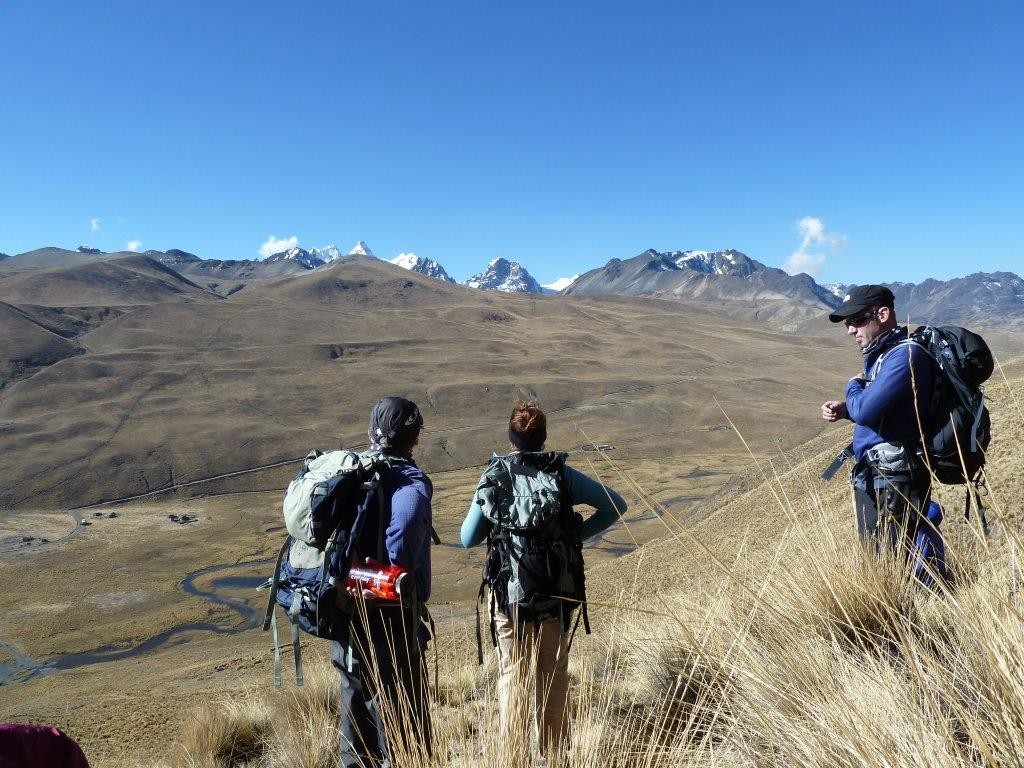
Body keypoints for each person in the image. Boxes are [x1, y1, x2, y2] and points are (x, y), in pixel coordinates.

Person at [460, 400, 627, 760]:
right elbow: (616, 504)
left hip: (509, 597)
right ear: (543, 436)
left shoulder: (495, 475)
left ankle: (512, 757)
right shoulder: (562, 474)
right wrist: (572, 537)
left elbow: (467, 538)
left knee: (512, 676)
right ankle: (555, 757)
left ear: (511, 436)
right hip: (557, 594)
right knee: (551, 677)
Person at [331, 396, 433, 768]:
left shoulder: (351, 473)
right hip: (393, 619)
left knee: (355, 703)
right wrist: (393, 570)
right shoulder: (410, 481)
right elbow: (404, 528)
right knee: (404, 717)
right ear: (415, 437)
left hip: (345, 611)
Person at [821, 284, 937, 559]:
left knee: (889, 558)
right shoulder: (886, 355)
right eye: (848, 324)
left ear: (882, 314)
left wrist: (852, 387)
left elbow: (865, 411)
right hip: (880, 473)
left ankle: (921, 598)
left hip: (893, 477)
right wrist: (846, 409)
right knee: (882, 554)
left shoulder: (905, 355)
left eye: (857, 320)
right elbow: (883, 409)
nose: (851, 330)